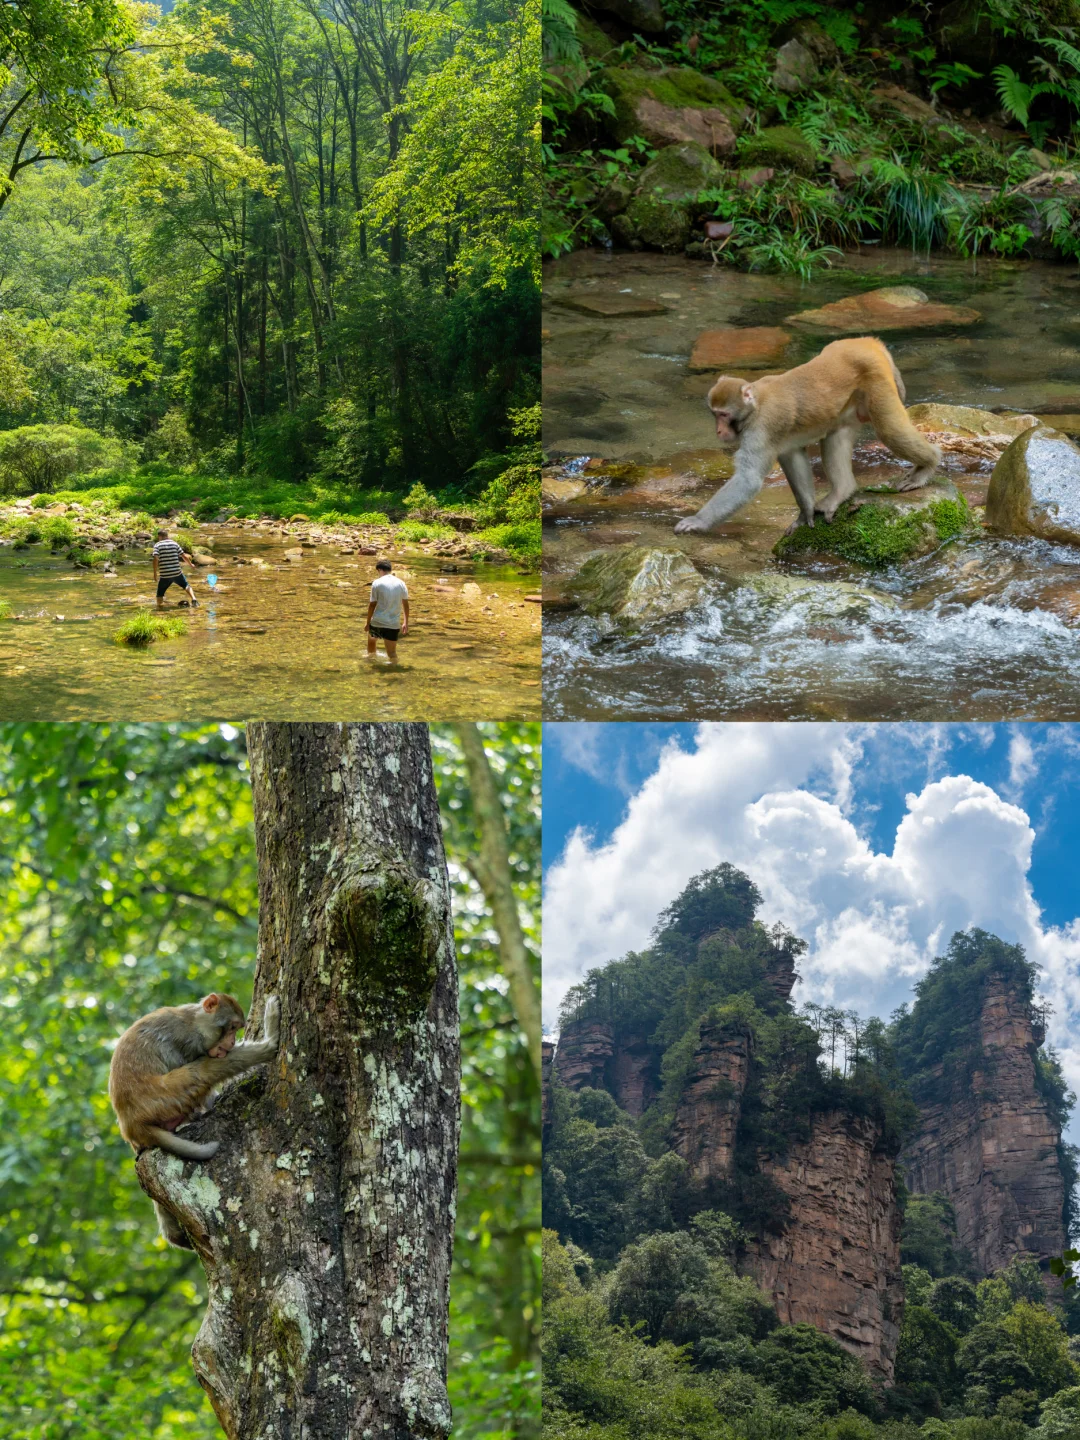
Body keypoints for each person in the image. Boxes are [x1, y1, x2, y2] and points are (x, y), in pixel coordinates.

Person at [366, 559, 409, 662]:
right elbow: (406, 604)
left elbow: (372, 605)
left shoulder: (377, 583)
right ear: (390, 569)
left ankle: (371, 663)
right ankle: (394, 672)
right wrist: (405, 623)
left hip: (377, 621)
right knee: (392, 653)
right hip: (393, 624)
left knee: (371, 642)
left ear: (379, 570)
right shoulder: (401, 583)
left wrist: (367, 623)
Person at [152, 528, 199, 609]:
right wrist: (191, 565)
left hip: (165, 575)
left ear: (159, 536)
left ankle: (160, 609)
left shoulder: (157, 545)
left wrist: (155, 573)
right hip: (177, 572)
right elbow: (183, 556)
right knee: (186, 585)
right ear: (167, 535)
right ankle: (194, 599)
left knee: (159, 594)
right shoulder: (174, 543)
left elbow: (155, 558)